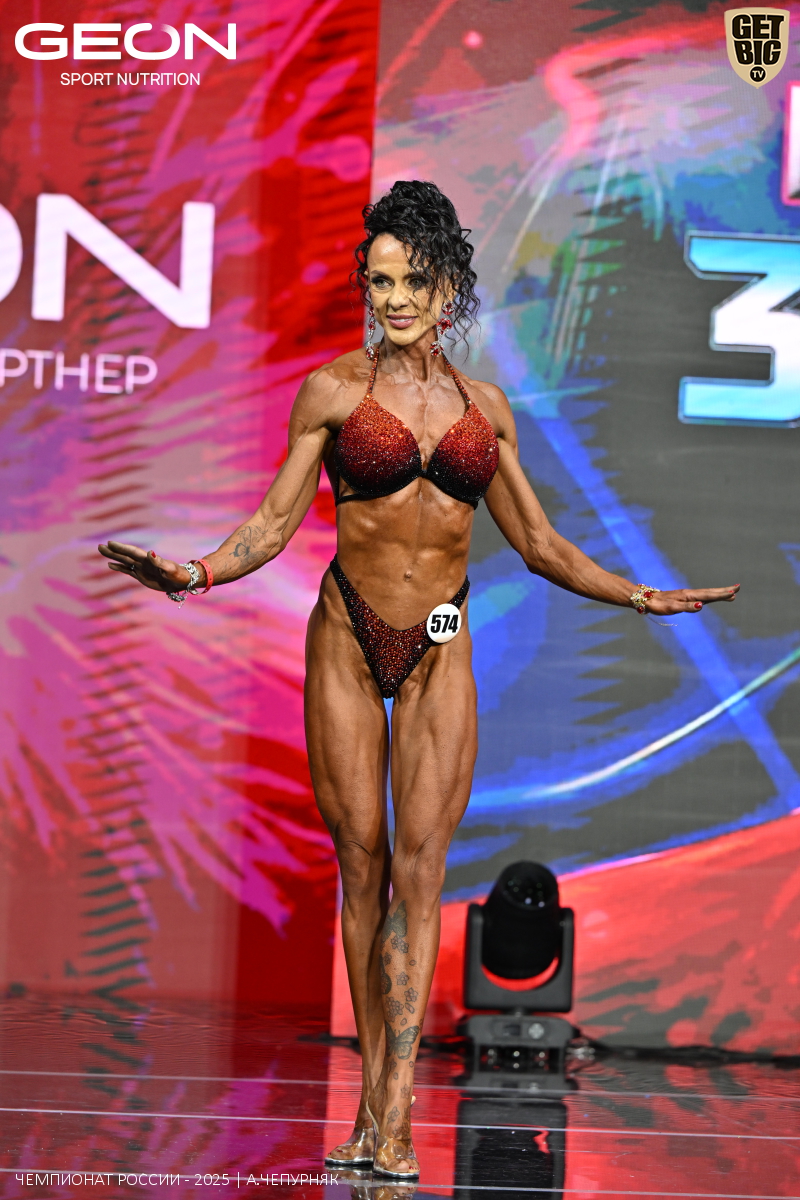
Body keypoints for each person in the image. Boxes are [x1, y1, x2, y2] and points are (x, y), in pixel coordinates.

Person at [98, 180, 739, 1181]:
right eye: (380, 281)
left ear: (447, 289)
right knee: (362, 868)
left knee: (420, 875)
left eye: (412, 281)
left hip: (441, 638)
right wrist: (193, 574)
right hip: (348, 636)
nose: (393, 299)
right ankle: (366, 1107)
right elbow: (273, 524)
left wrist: (637, 596)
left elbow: (537, 544)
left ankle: (393, 1118)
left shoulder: (486, 409)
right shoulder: (332, 391)